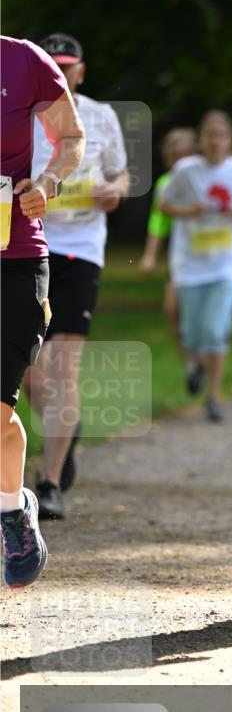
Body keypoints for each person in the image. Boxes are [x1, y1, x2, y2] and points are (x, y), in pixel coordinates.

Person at [24, 33, 129, 520]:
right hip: (25, 247)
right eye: (55, 66)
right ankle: (66, 431)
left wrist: (113, 189)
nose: (63, 74)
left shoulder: (101, 116)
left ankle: (48, 484)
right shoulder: (20, 115)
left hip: (80, 252)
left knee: (63, 368)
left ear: (82, 71)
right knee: (32, 371)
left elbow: (122, 175)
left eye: (70, 66)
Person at [0, 35, 84, 584]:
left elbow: (71, 138)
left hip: (15, 257)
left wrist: (48, 182)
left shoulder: (24, 59)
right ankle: (13, 508)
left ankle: (12, 512)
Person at [159, 110, 232, 421]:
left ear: (230, 140)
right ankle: (193, 367)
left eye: (221, 135)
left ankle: (213, 396)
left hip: (226, 264)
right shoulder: (185, 170)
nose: (215, 141)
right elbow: (164, 205)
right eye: (209, 134)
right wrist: (188, 211)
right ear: (201, 139)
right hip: (190, 263)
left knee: (215, 330)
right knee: (191, 333)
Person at [139, 127, 198, 378]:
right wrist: (150, 255)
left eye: (183, 154)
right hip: (181, 257)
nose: (178, 161)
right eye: (173, 156)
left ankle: (205, 355)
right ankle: (190, 365)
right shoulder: (165, 184)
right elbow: (158, 223)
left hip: (209, 257)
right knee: (172, 309)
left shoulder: (204, 177)